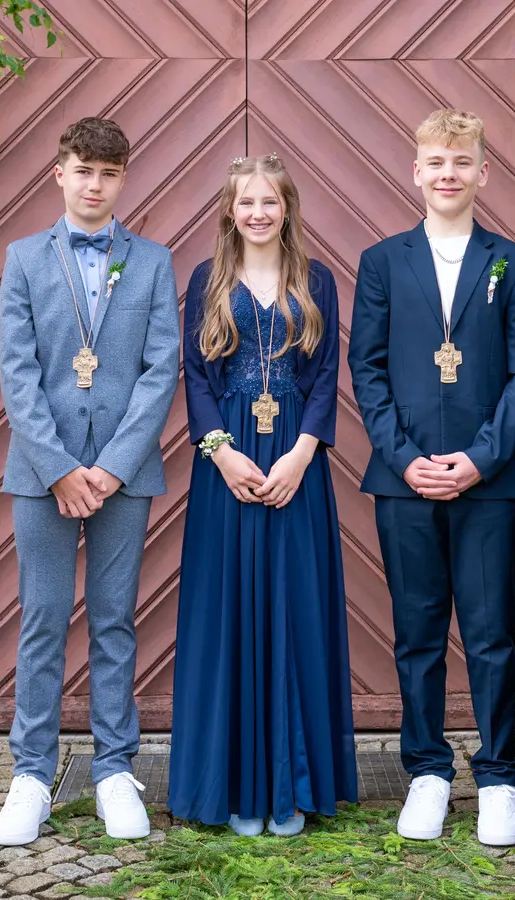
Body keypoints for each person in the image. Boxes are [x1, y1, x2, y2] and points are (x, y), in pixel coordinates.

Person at [348, 109, 515, 848]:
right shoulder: (383, 262)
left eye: (461, 162)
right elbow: (365, 368)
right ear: (416, 169)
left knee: (492, 636)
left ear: (483, 171)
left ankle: (497, 778)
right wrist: (404, 456)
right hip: (405, 483)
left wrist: (481, 457)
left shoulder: (514, 265)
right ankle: (427, 772)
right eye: (435, 162)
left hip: (488, 483)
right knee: (418, 634)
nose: (448, 174)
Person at [0, 116, 181, 847]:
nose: (94, 184)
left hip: (121, 479)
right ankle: (32, 773)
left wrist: (107, 468)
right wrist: (62, 468)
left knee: (113, 621)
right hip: (42, 476)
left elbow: (160, 371)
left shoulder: (153, 261)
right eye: (83, 171)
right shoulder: (23, 258)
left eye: (108, 173)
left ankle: (112, 769)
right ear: (60, 174)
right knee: (41, 621)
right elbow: (18, 371)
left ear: (122, 179)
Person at [168, 153, 358, 837]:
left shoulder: (319, 282)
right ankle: (238, 789)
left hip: (297, 469)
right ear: (230, 211)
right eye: (246, 202)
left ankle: (293, 785)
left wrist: (304, 454)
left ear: (287, 209)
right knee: (232, 615)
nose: (257, 213)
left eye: (269, 202)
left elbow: (328, 372)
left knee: (294, 612)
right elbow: (194, 373)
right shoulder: (206, 280)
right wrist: (221, 454)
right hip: (230, 466)